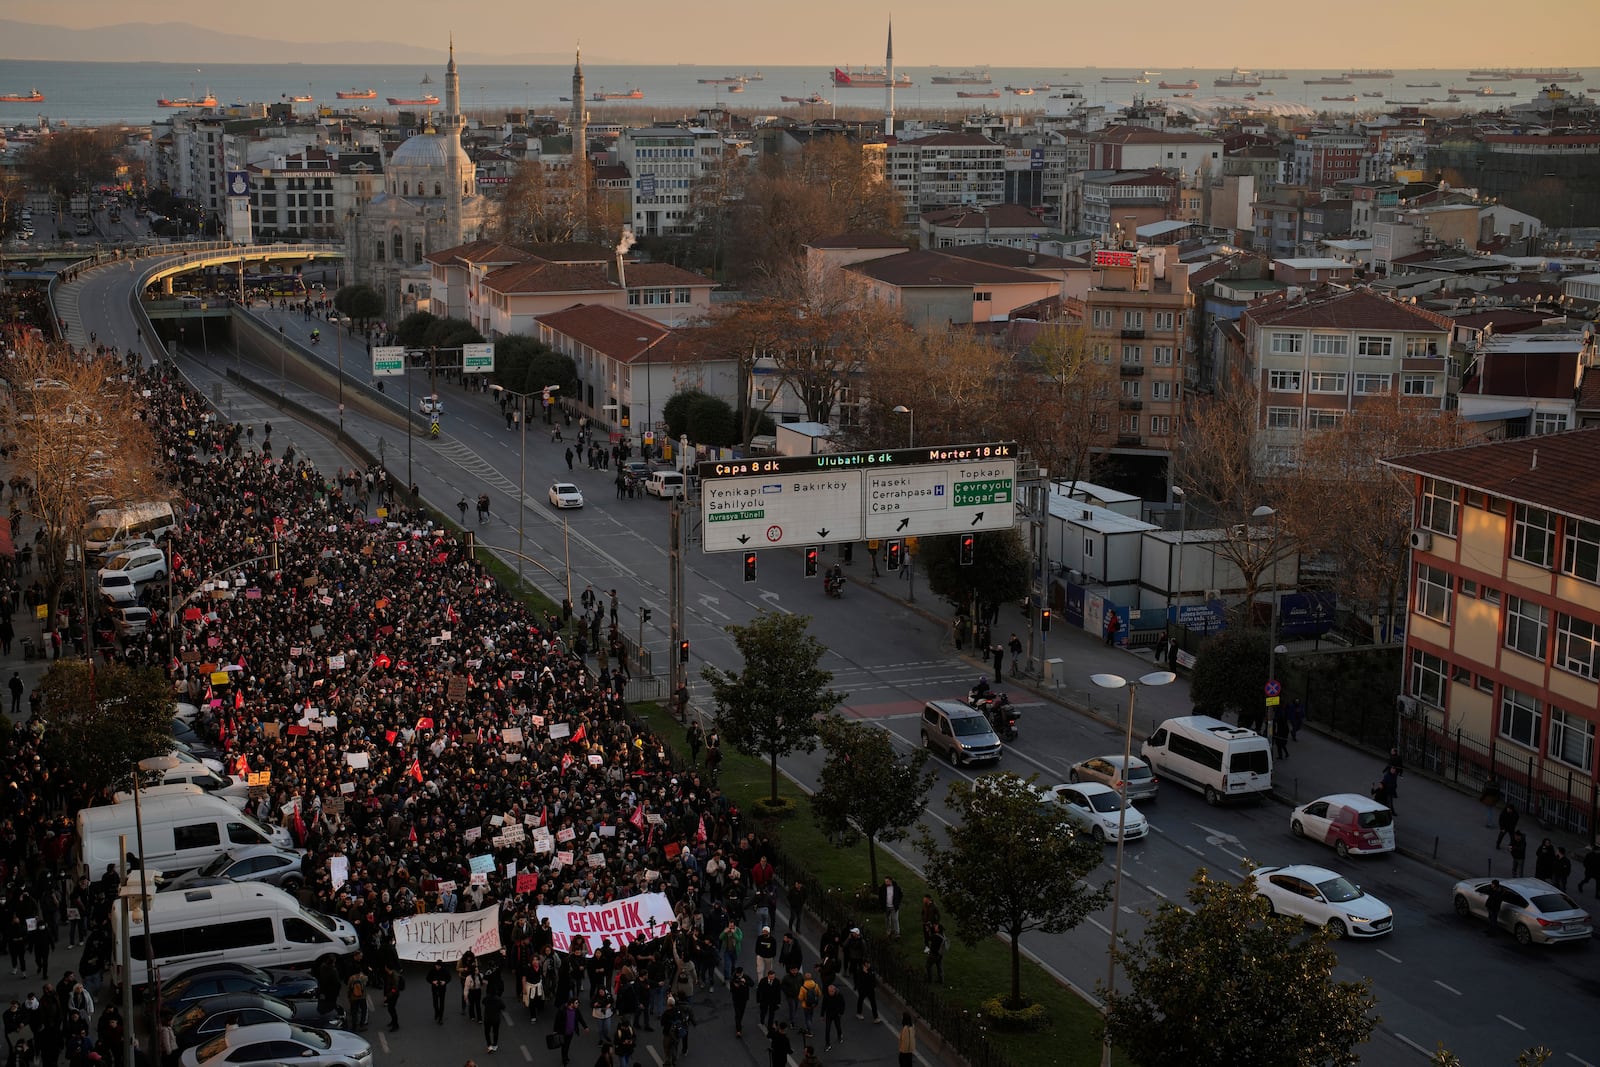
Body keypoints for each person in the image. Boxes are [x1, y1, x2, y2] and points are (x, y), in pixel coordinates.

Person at [820, 982, 846, 1051]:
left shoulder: (839, 996)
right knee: (827, 1029)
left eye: (832, 991)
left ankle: (840, 1036)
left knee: (838, 1026)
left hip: (837, 1015)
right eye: (829, 991)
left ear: (835, 990)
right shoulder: (826, 996)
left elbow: (842, 1004)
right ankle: (827, 1044)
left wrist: (841, 1013)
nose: (830, 993)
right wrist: (822, 1015)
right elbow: (823, 1006)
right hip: (829, 1015)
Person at [728, 965, 751, 1038]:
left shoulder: (746, 977)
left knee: (741, 1013)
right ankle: (738, 1030)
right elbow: (731, 989)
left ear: (742, 973)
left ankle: (738, 1023)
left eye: (739, 974)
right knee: (737, 1014)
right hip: (736, 999)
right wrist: (735, 986)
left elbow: (752, 983)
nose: (738, 975)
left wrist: (745, 982)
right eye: (737, 974)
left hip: (744, 998)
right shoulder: (733, 978)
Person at [482, 985, 505, 1053]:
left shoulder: (486, 998)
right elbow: (503, 1007)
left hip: (487, 1018)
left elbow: (483, 1002)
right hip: (496, 1018)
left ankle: (489, 1045)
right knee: (495, 1032)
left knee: (487, 1032)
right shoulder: (498, 999)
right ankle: (495, 1045)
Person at [383, 966, 403, 1031]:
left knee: (391, 1009)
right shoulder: (390, 974)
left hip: (394, 995)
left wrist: (387, 996)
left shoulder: (394, 976)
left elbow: (394, 989)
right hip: (391, 994)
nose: (385, 968)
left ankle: (395, 1025)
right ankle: (393, 1022)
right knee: (390, 1009)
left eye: (386, 967)